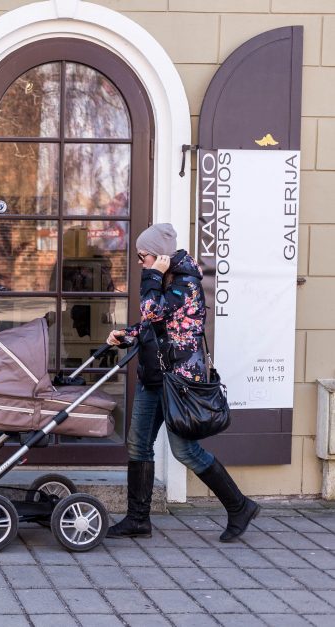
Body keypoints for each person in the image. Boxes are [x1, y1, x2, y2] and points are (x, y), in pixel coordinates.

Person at [105, 223, 259, 542]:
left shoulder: (185, 283)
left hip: (179, 381)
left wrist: (152, 276)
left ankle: (239, 506)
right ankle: (137, 520)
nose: (138, 262)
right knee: (138, 443)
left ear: (159, 257)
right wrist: (127, 335)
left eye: (142, 256)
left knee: (184, 451)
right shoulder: (167, 279)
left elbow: (152, 310)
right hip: (154, 375)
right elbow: (156, 324)